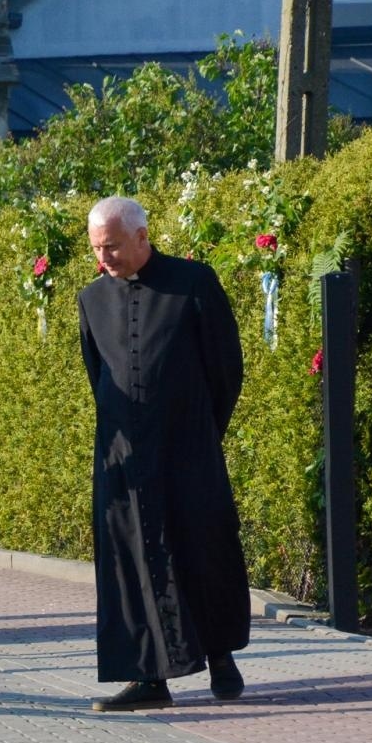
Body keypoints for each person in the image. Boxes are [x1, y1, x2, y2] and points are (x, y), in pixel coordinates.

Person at [80, 196, 249, 712]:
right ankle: (148, 678)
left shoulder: (193, 282)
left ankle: (220, 656)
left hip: (188, 447)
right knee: (130, 562)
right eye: (96, 248)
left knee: (203, 549)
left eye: (112, 246)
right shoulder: (91, 299)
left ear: (142, 236)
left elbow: (226, 368)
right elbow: (97, 375)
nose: (104, 258)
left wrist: (200, 430)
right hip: (123, 459)